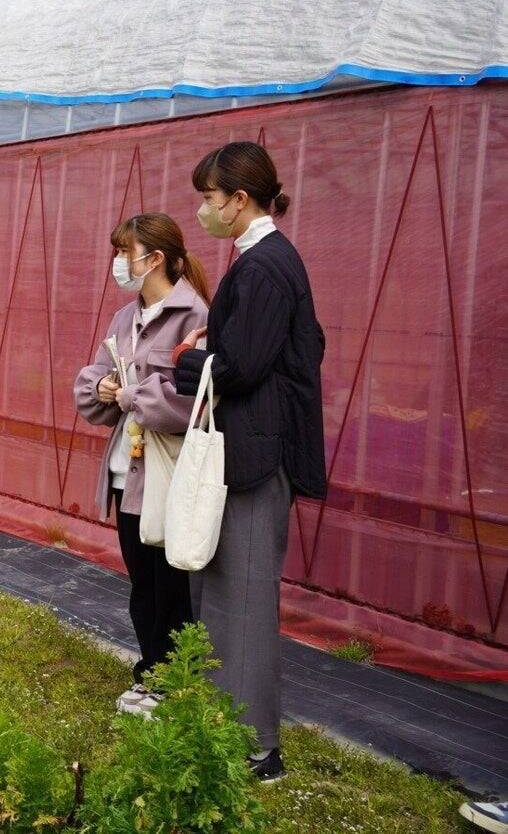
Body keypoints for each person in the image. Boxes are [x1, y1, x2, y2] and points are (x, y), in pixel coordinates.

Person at [170, 141, 327, 783]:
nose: (203, 211)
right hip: (254, 449)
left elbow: (242, 368)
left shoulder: (263, 266)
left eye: (209, 199)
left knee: (244, 598)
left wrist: (191, 362)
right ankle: (222, 727)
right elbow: (305, 343)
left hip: (257, 456)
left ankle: (257, 748)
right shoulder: (267, 260)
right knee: (226, 590)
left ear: (239, 200)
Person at [74, 213, 210, 718]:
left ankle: (169, 680)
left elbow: (193, 399)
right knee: (142, 582)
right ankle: (152, 671)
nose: (117, 263)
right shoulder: (123, 316)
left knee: (167, 583)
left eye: (123, 252)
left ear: (153, 258)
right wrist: (104, 388)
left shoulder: (194, 318)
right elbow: (95, 376)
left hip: (163, 473)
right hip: (123, 470)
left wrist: (130, 393)